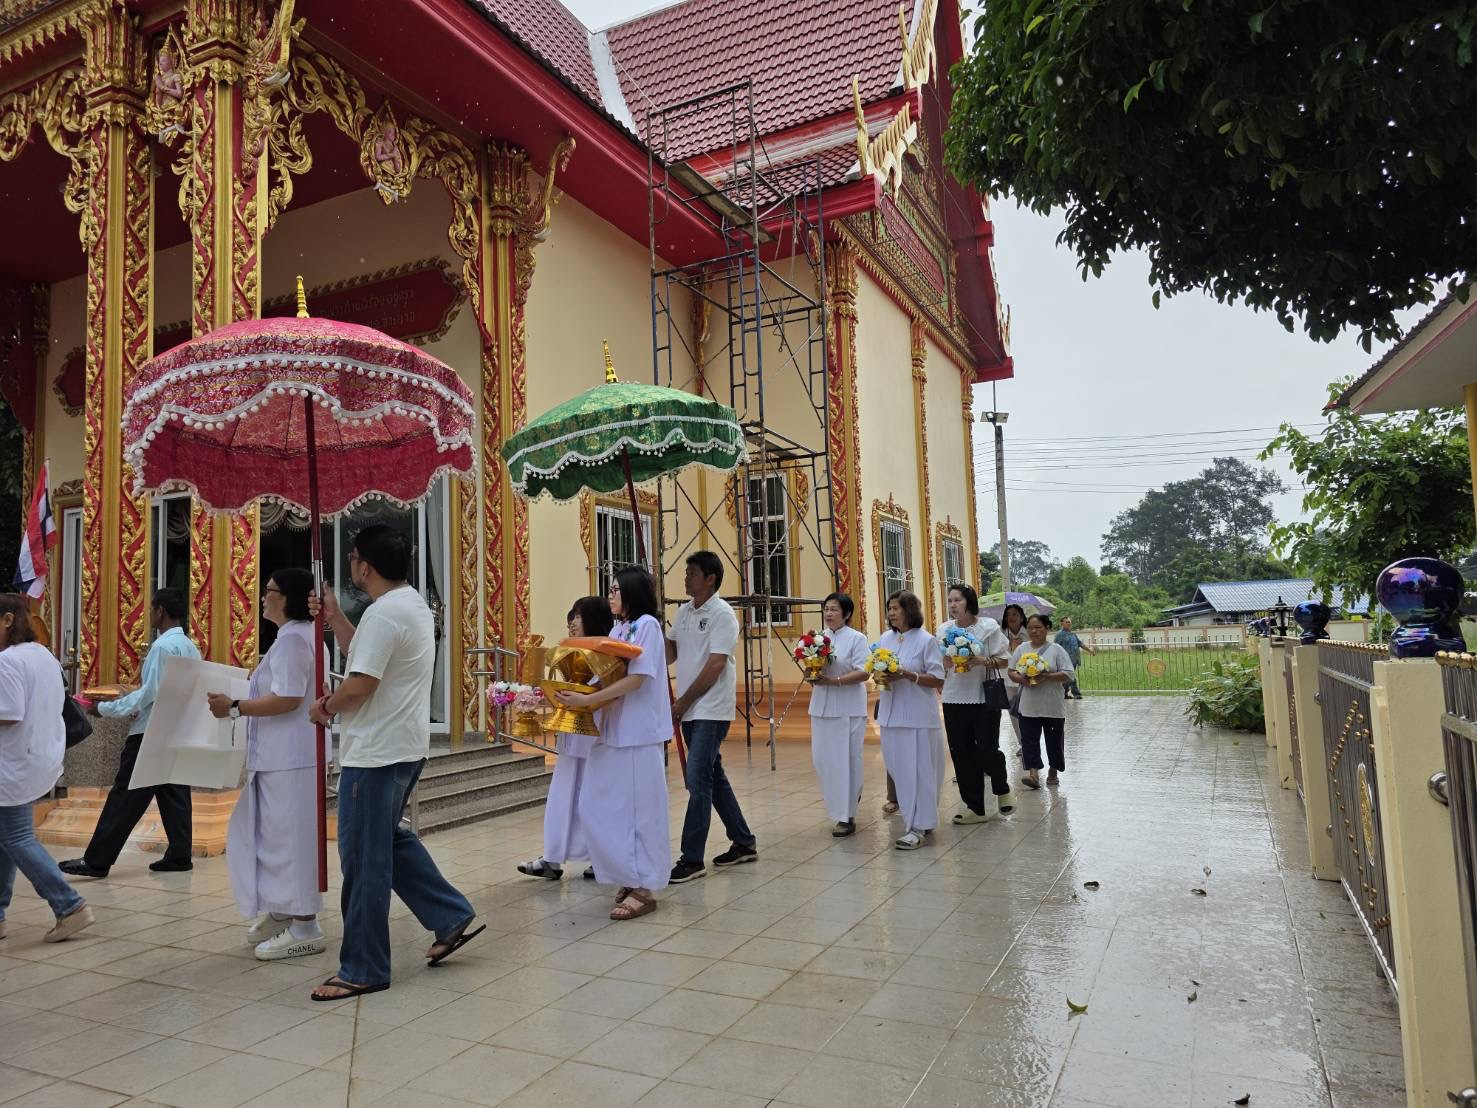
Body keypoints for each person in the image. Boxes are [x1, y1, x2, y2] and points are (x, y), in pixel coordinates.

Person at [306, 525, 482, 1000]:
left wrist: (324, 707)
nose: (350, 565)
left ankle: (363, 967)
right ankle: (449, 914)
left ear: (365, 565)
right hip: (404, 747)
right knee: (389, 842)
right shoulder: (411, 607)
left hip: (377, 753)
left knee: (365, 860)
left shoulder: (386, 615)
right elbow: (358, 650)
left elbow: (360, 684)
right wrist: (335, 614)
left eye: (353, 557)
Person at [208, 568, 326, 961]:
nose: (263, 597)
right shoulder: (295, 638)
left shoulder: (295, 640)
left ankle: (305, 925)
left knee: (291, 842)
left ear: (288, 597)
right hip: (283, 757)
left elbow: (288, 698)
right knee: (275, 838)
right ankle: (283, 909)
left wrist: (236, 708)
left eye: (270, 591)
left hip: (291, 759)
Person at [60, 587, 200, 879]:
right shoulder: (189, 646)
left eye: (151, 609)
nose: (150, 614)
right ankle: (179, 854)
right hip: (176, 728)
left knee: (125, 796)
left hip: (151, 731)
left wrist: (106, 709)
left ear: (160, 610)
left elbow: (150, 693)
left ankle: (97, 861)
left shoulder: (162, 647)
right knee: (174, 791)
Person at [557, 567, 671, 920]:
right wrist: (571, 691)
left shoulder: (648, 626)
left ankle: (644, 886)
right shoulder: (620, 629)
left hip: (637, 734)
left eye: (616, 589)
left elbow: (637, 679)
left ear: (634, 592)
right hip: (610, 729)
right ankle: (625, 873)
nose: (610, 596)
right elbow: (599, 675)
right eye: (610, 589)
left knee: (640, 813)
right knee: (598, 806)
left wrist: (588, 701)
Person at [0, 594, 93, 943]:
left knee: (17, 837)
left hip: (13, 763)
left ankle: (69, 905)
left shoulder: (8, 661)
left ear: (8, 620)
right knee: (6, 838)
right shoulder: (43, 656)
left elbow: (8, 713)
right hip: (37, 758)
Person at [667, 551, 756, 884]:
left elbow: (716, 664)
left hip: (710, 708)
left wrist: (683, 701)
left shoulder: (723, 615)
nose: (686, 578)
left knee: (697, 778)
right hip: (690, 708)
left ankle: (691, 859)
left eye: (691, 573)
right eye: (686, 572)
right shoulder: (684, 611)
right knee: (712, 775)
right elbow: (671, 652)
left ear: (710, 579)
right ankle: (744, 841)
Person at [517, 595, 613, 882]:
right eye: (571, 616)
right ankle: (552, 857)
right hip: (571, 735)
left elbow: (608, 690)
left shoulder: (607, 653)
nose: (572, 622)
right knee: (562, 796)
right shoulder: (567, 652)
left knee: (592, 798)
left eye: (579, 616)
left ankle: (601, 858)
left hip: (596, 736)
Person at [876, 591, 946, 850]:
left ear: (910, 611)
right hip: (891, 715)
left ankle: (919, 826)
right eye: (889, 608)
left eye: (896, 608)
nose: (892, 613)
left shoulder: (927, 641)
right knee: (900, 771)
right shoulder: (886, 638)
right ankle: (916, 819)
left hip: (918, 716)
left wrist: (907, 675)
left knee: (920, 772)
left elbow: (937, 679)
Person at [938, 585, 1013, 825]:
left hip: (983, 698)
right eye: (949, 601)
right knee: (961, 753)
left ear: (969, 602)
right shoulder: (944, 630)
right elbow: (939, 663)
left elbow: (1004, 661)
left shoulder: (987, 628)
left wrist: (980, 660)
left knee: (987, 749)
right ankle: (974, 807)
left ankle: (1001, 788)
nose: (952, 605)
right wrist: (946, 661)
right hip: (953, 698)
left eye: (957, 600)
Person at [805, 593, 871, 836]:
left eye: (834, 609)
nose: (829, 613)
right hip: (822, 705)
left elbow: (864, 672)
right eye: (826, 609)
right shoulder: (817, 639)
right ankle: (847, 799)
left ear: (847, 614)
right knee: (823, 760)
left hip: (848, 708)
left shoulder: (857, 638)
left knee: (847, 762)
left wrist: (835, 681)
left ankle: (847, 815)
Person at [1009, 614, 1076, 790]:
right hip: (1028, 705)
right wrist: (1022, 679)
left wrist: (1045, 676)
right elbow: (1011, 671)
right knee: (1029, 740)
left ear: (1047, 628)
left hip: (1052, 706)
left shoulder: (1056, 650)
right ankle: (1033, 774)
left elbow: (1069, 673)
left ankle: (1053, 771)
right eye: (1030, 627)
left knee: (1054, 741)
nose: (1034, 631)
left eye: (1038, 627)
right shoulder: (1022, 649)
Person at [999, 603, 1028, 757]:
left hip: (1027, 678)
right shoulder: (1000, 633)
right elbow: (999, 654)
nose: (1011, 617)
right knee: (1014, 712)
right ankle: (1022, 744)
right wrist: (1010, 645)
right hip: (1008, 678)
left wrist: (1019, 647)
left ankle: (1031, 742)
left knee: (1027, 711)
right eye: (1008, 614)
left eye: (1015, 614)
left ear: (1021, 617)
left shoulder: (1029, 632)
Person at [1054, 616, 1094, 699]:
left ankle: (1063, 694)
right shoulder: (1059, 635)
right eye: (1067, 622)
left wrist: (1090, 650)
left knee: (1067, 677)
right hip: (1065, 660)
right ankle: (1076, 694)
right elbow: (1055, 647)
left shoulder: (1073, 634)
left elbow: (1080, 644)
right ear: (1062, 623)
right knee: (1070, 676)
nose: (1069, 623)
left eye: (1069, 622)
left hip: (1074, 659)